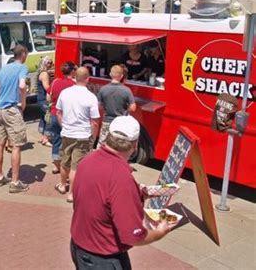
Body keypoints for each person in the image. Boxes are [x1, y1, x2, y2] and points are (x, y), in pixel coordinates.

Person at [70, 116, 176, 269]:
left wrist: (137, 192)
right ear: (135, 144)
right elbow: (133, 236)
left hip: (80, 245)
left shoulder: (88, 160)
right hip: (102, 257)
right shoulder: (121, 178)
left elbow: (97, 197)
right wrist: (159, 232)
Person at [56, 67, 100, 203]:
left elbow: (58, 112)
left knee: (65, 161)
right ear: (88, 79)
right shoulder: (91, 97)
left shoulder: (65, 93)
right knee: (76, 166)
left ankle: (62, 185)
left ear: (75, 77)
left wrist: (64, 126)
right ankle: (71, 194)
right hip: (82, 135)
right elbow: (95, 121)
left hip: (67, 133)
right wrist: (93, 138)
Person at [0, 44, 29, 193]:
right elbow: (22, 86)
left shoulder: (5, 68)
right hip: (12, 109)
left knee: (0, 143)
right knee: (16, 145)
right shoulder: (22, 68)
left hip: (0, 108)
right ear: (24, 54)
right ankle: (15, 181)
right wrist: (23, 103)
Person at [48, 62, 76, 176]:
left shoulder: (55, 82)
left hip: (54, 114)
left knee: (56, 140)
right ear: (73, 71)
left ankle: (56, 166)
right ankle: (66, 168)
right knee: (68, 144)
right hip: (67, 117)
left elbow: (48, 97)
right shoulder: (74, 85)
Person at [97, 65, 136, 147]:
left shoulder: (103, 89)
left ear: (110, 74)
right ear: (121, 76)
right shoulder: (126, 90)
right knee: (118, 146)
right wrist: (126, 109)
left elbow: (99, 106)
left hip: (107, 121)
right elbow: (133, 108)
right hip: (120, 123)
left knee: (102, 144)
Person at [37, 56, 53, 147]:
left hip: (40, 99)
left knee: (43, 117)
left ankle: (42, 136)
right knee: (48, 118)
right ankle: (46, 139)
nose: (51, 64)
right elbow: (47, 87)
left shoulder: (41, 73)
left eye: (51, 62)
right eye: (49, 62)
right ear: (45, 63)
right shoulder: (45, 74)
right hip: (43, 100)